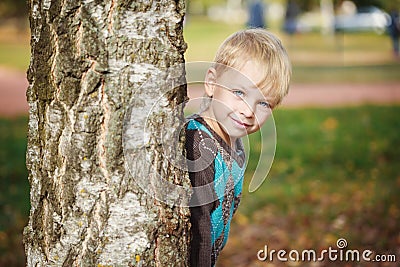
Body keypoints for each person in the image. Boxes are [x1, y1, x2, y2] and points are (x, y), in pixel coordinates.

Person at [185, 29, 291, 267]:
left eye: (263, 103)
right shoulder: (200, 143)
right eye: (239, 93)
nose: (248, 111)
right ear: (212, 83)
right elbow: (200, 224)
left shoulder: (236, 144)